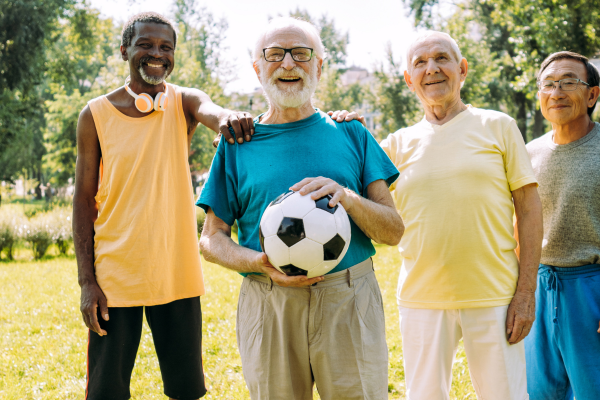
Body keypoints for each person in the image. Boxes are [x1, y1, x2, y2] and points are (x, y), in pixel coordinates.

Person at [197, 17, 403, 400]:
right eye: (274, 55)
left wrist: (347, 196)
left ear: (319, 67)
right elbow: (210, 240)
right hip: (268, 299)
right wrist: (260, 263)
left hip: (347, 297)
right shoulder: (237, 143)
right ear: (258, 68)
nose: (288, 64)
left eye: (301, 54)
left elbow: (393, 230)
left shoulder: (353, 133)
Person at [72, 12, 253, 400]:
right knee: (106, 391)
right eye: (146, 45)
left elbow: (211, 110)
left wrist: (227, 117)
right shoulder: (94, 114)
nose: (157, 54)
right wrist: (87, 281)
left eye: (165, 47)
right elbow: (83, 200)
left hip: (176, 271)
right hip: (114, 276)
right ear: (125, 50)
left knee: (187, 388)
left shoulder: (183, 101)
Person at [378, 31, 543, 399]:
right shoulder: (394, 145)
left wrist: (525, 293)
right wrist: (345, 125)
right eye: (419, 62)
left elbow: (530, 209)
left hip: (496, 296)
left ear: (462, 69)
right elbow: (358, 191)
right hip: (421, 298)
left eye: (442, 58)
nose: (431, 69)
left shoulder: (498, 126)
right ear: (408, 79)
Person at [524, 51, 600, 400]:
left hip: (591, 288)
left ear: (592, 94)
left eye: (569, 82)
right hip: (539, 286)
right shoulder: (528, 153)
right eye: (548, 84)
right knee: (539, 393)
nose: (557, 92)